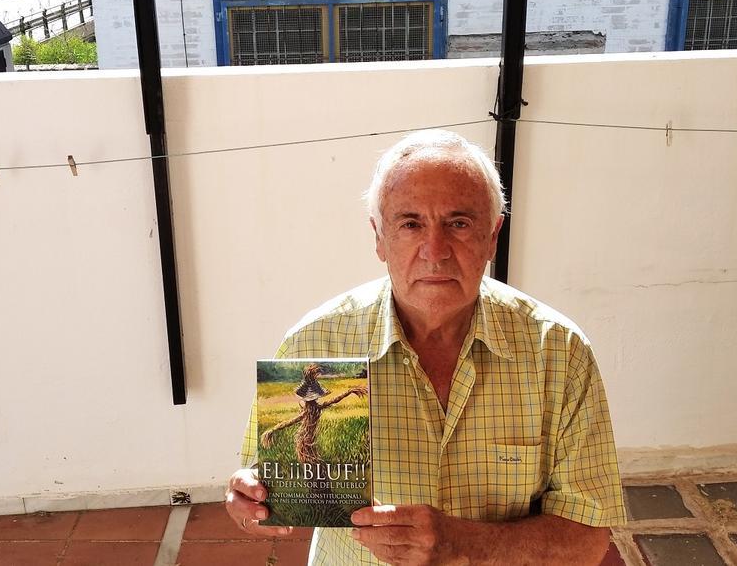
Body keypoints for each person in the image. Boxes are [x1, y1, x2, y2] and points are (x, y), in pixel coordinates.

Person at [226, 129, 625, 565]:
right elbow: (257, 477)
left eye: (459, 223)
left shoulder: (559, 352)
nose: (435, 252)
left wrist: (465, 545)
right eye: (410, 224)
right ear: (379, 237)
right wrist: (247, 499)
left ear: (492, 236)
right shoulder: (314, 342)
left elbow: (587, 538)